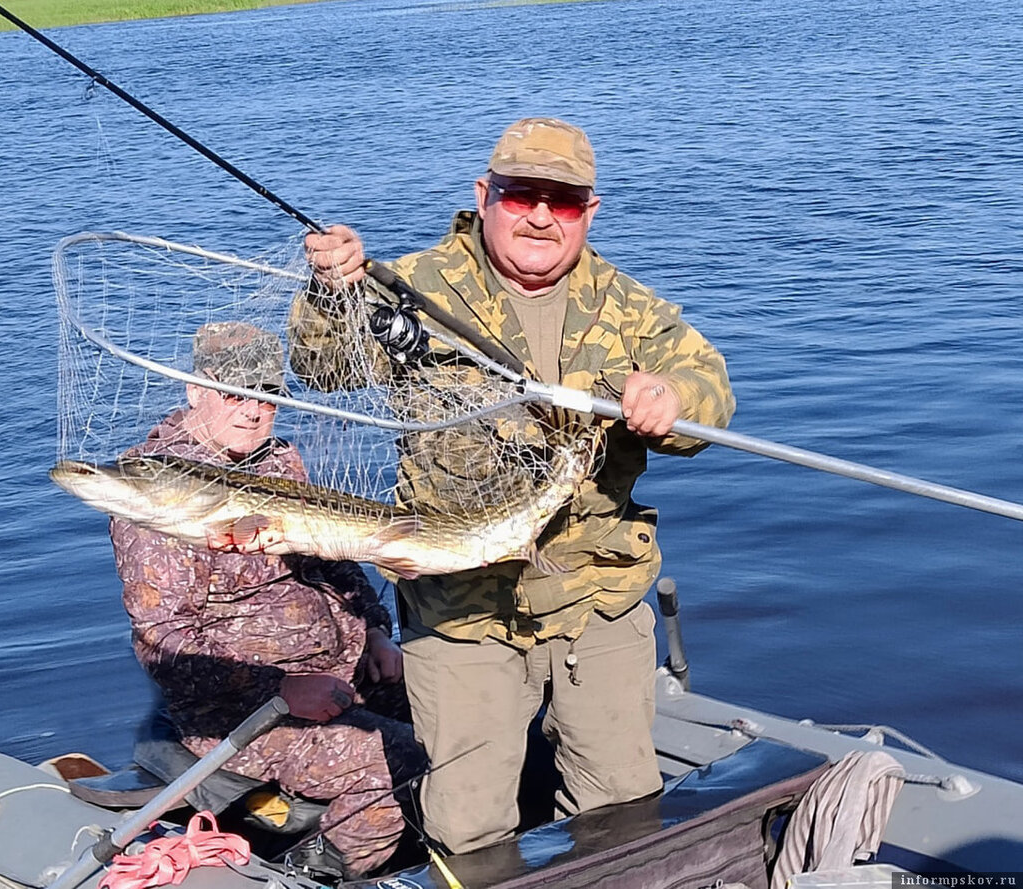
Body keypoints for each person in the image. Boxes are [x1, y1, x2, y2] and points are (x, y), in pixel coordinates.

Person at [290, 118, 736, 855]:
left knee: (622, 804)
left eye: (561, 202)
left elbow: (710, 388)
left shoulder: (630, 308)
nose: (538, 214)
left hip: (601, 598)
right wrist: (332, 290)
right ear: (483, 195)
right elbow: (328, 368)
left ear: (589, 212)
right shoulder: (412, 288)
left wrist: (675, 398)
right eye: (520, 193)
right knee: (469, 826)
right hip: (462, 611)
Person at [108, 321, 423, 877]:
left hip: (344, 671)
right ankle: (331, 869)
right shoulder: (161, 494)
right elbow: (164, 646)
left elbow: (332, 553)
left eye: (269, 396)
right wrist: (282, 690)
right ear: (195, 389)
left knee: (452, 713)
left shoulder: (277, 461)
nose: (254, 411)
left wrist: (375, 630)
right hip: (244, 714)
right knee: (392, 755)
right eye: (235, 394)